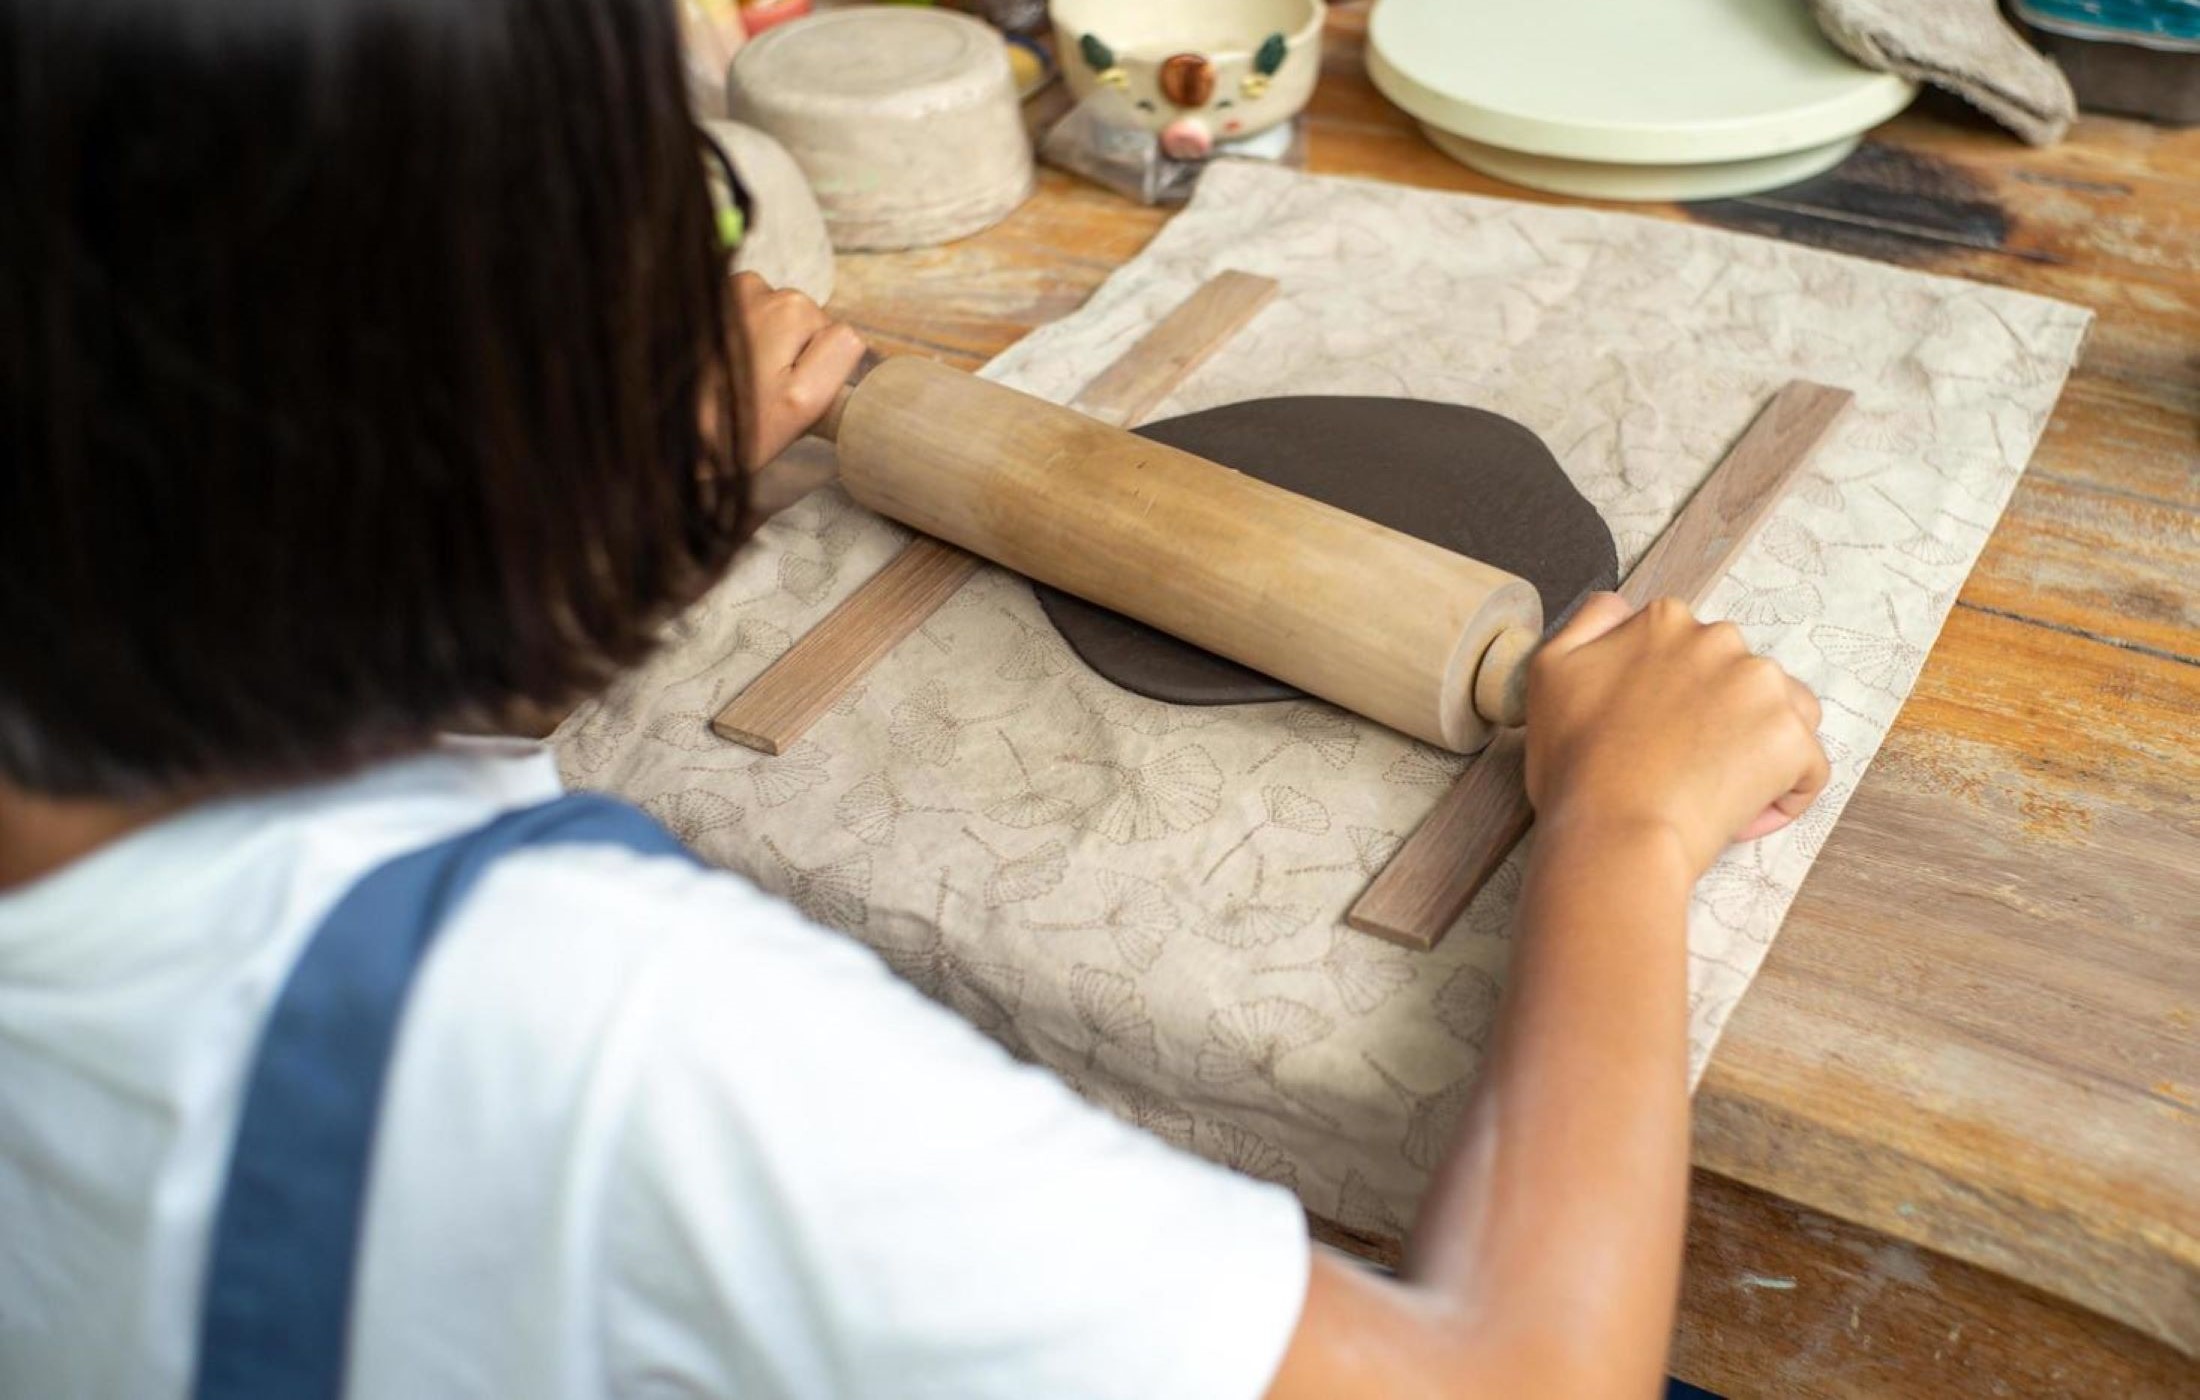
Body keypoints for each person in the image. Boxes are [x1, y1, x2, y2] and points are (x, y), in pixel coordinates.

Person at [0, 0, 1829, 1396]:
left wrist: (574, 511)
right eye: (640, 241)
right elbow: (1505, 1376)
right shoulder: (608, 1032)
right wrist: (1624, 829)